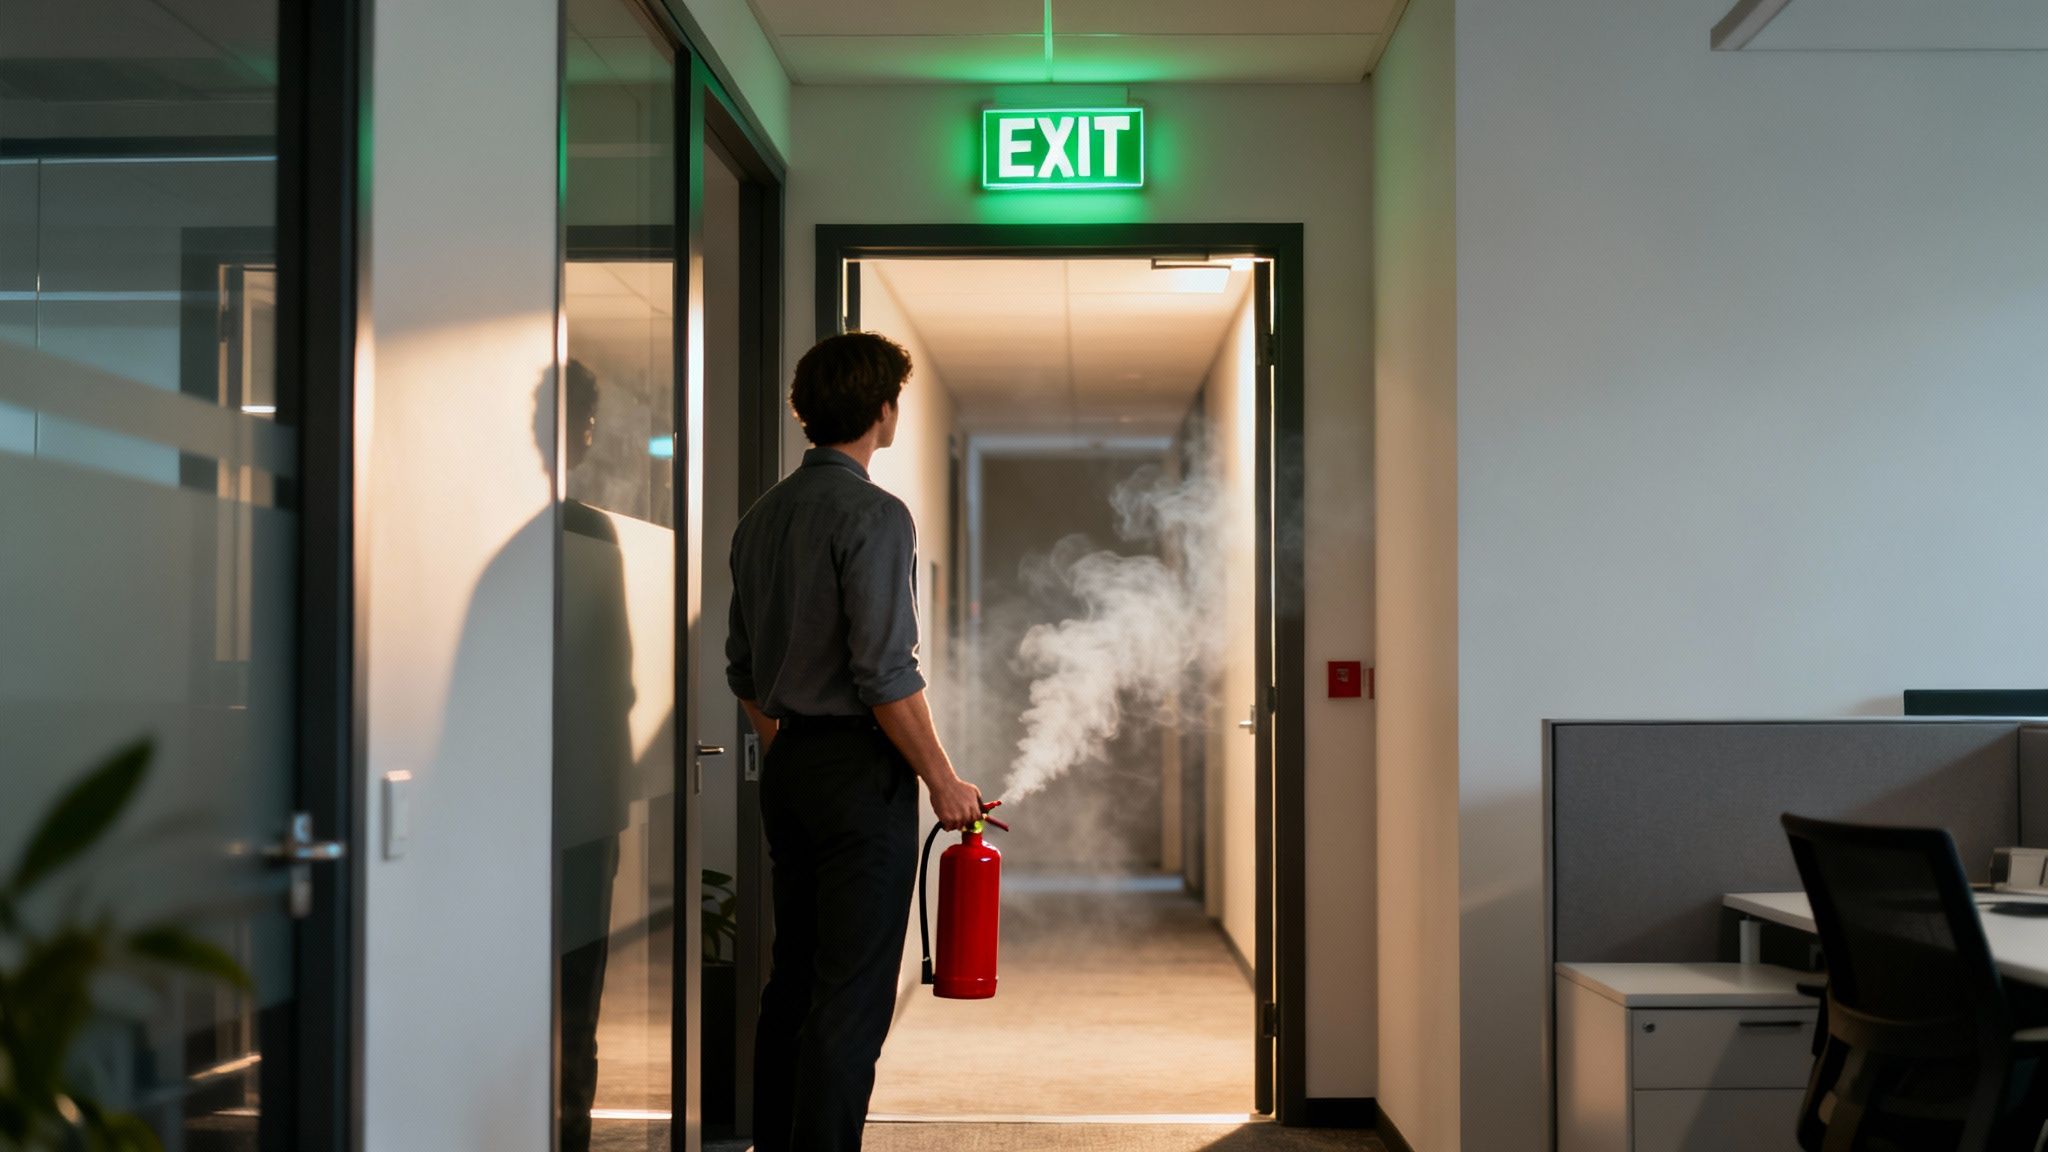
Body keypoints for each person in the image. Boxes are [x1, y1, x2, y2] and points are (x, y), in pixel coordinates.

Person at [727, 331, 984, 1152]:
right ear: (883, 410)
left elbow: (744, 669)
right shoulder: (874, 514)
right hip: (853, 774)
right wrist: (942, 779)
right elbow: (884, 672)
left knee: (793, 982)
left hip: (791, 765)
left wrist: (792, 741)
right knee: (851, 995)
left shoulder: (760, 519)